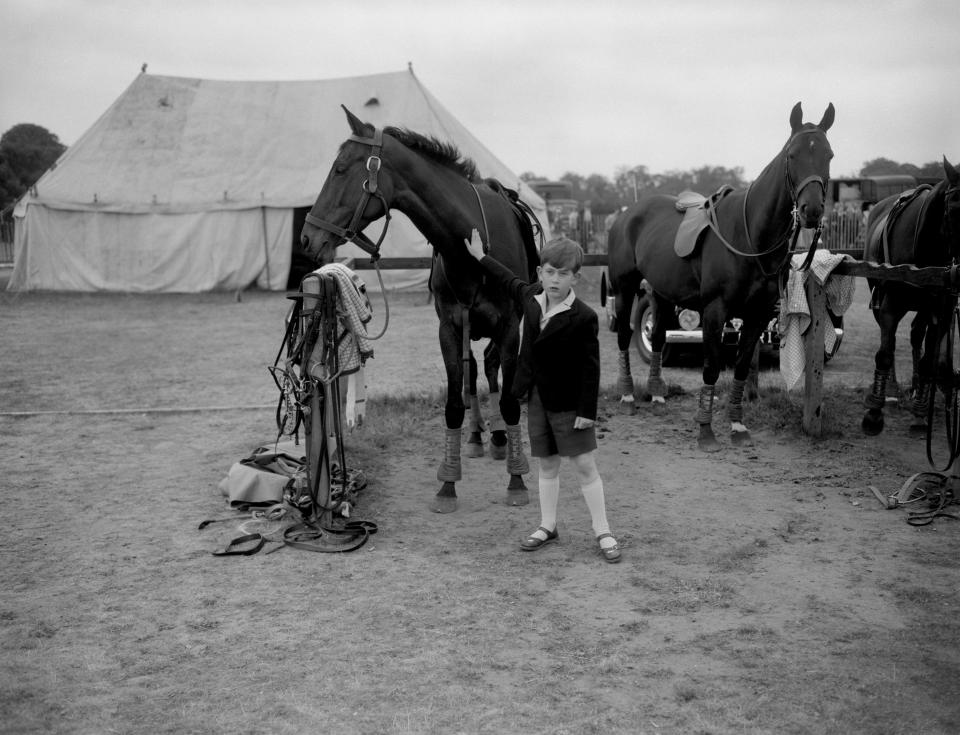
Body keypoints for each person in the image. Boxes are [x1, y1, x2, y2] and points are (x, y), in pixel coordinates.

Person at [464, 229, 621, 563]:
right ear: (539, 273)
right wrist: (480, 256)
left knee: (584, 465)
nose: (554, 280)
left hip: (569, 404)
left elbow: (591, 368)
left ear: (576, 277)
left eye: (563, 274)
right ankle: (548, 525)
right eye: (549, 272)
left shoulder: (585, 317)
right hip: (535, 398)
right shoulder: (531, 297)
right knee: (547, 465)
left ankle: (603, 529)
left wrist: (587, 410)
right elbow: (506, 279)